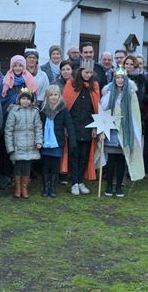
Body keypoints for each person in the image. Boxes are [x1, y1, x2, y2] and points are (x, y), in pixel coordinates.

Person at [95, 68, 144, 197]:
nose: (120, 80)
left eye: (122, 78)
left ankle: (119, 187)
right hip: (111, 130)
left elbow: (135, 115)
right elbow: (103, 111)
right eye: (118, 77)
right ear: (114, 79)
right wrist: (101, 129)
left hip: (125, 130)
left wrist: (134, 131)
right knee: (111, 160)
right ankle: (109, 186)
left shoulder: (131, 94)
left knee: (122, 159)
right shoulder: (108, 93)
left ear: (125, 79)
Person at [62, 59, 100, 195]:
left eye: (90, 72)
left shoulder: (94, 86)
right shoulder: (71, 84)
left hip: (88, 125)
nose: (88, 75)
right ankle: (74, 183)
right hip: (73, 125)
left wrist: (96, 127)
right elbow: (66, 105)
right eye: (86, 72)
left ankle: (80, 181)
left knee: (84, 155)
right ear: (80, 71)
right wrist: (65, 126)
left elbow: (97, 107)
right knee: (74, 154)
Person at [4, 89, 43, 199]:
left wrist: (38, 141)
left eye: (28, 99)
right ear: (19, 100)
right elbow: (8, 130)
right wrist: (10, 147)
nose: (25, 101)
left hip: (30, 145)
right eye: (23, 98)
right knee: (18, 166)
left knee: (26, 166)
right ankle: (17, 187)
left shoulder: (35, 112)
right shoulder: (13, 112)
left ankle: (25, 187)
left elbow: (38, 128)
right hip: (17, 145)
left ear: (31, 101)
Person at [39, 85, 76, 198]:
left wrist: (72, 141)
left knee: (55, 165)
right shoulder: (43, 109)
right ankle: (46, 187)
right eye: (51, 95)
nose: (53, 97)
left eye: (56, 95)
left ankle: (53, 187)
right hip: (45, 141)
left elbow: (69, 125)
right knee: (45, 165)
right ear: (47, 97)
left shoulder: (63, 109)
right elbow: (38, 125)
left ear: (59, 96)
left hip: (57, 142)